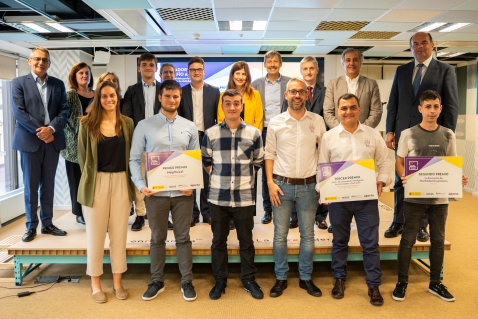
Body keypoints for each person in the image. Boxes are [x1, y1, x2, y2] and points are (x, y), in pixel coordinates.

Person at [392, 90, 467, 303]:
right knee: (407, 240)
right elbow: (399, 161)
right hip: (414, 198)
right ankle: (402, 283)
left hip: (439, 200)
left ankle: (435, 283)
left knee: (438, 240)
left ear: (440, 108)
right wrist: (403, 175)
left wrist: (458, 178)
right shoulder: (408, 134)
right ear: (420, 109)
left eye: (436, 106)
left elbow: (451, 164)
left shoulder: (448, 134)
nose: (432, 111)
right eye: (428, 106)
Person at [318, 93, 392, 306]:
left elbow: (385, 161)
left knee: (370, 243)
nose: (348, 111)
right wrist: (324, 190)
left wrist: (382, 180)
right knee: (339, 242)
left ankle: (373, 284)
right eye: (344, 108)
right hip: (338, 201)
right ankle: (339, 279)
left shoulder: (372, 134)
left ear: (359, 109)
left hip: (366, 199)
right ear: (338, 111)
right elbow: (322, 166)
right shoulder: (329, 137)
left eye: (352, 107)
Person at [385, 32, 459, 241]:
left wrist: (447, 136)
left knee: (427, 181)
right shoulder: (402, 71)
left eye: (424, 43)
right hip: (404, 135)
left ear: (432, 45)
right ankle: (398, 221)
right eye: (415, 44)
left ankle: (421, 226)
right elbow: (394, 103)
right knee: (402, 179)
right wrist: (390, 130)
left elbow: (451, 106)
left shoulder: (445, 70)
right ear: (410, 48)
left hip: (431, 135)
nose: (419, 47)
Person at [130, 80, 199, 302]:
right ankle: (156, 280)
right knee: (157, 238)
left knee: (183, 238)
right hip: (155, 194)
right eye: (168, 96)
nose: (172, 100)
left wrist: (191, 186)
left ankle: (187, 281)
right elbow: (133, 159)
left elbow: (194, 160)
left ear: (180, 98)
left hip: (183, 195)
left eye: (176, 96)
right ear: (160, 97)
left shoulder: (189, 126)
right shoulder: (144, 125)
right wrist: (141, 185)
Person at [265, 77, 326, 298]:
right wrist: (270, 183)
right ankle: (281, 277)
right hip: (281, 186)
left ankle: (305, 277)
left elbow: (323, 155)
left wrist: (324, 184)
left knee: (307, 235)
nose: (297, 95)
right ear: (286, 95)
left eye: (301, 91)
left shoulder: (317, 121)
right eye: (293, 92)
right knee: (280, 234)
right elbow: (269, 154)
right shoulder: (276, 122)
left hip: (309, 186)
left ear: (306, 95)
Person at [204, 89, 265, 300]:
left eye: (236, 103)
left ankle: (248, 279)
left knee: (246, 241)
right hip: (217, 197)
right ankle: (220, 280)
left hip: (244, 197)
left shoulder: (254, 133)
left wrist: (242, 178)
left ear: (242, 106)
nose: (232, 107)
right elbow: (206, 162)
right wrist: (222, 177)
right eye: (227, 103)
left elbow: (258, 162)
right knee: (218, 241)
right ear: (222, 107)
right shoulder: (210, 134)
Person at [77, 80, 135, 303]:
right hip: (96, 183)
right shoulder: (86, 124)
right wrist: (94, 181)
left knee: (119, 235)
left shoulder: (127, 123)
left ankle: (118, 282)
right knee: (95, 235)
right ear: (98, 99)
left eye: (112, 95)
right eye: (104, 96)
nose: (109, 99)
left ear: (117, 97)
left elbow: (131, 156)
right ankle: (95, 284)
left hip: (121, 181)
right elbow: (84, 160)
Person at [12, 47, 70, 242]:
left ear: (49, 63)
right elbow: (19, 113)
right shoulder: (19, 83)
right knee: (30, 186)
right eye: (37, 59)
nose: (40, 62)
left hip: (51, 141)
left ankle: (47, 223)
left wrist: (51, 130)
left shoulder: (58, 84)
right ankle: (31, 226)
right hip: (30, 142)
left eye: (44, 60)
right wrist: (42, 131)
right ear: (29, 61)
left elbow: (64, 110)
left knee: (48, 185)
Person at [217, 61, 264, 230]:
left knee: (248, 179)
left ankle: (247, 215)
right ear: (232, 75)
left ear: (247, 76)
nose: (240, 77)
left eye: (243, 74)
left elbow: (259, 119)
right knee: (229, 179)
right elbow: (221, 117)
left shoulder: (255, 94)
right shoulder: (224, 94)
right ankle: (229, 216)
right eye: (237, 73)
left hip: (248, 142)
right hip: (227, 143)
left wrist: (252, 141)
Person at [286, 56, 328, 230]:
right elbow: (287, 113)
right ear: (301, 71)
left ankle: (321, 216)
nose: (309, 72)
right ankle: (295, 216)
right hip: (299, 139)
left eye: (312, 68)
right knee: (297, 176)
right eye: (305, 69)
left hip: (320, 137)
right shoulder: (293, 92)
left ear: (317, 71)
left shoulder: (326, 91)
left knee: (321, 176)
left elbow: (328, 113)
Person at [178, 56, 220, 227]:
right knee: (189, 177)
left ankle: (207, 212)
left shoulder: (214, 91)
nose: (196, 72)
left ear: (204, 71)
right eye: (193, 69)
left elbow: (218, 117)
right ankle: (193, 213)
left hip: (207, 137)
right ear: (188, 72)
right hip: (188, 139)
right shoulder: (181, 91)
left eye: (199, 69)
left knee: (206, 177)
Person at [122, 53, 161, 231]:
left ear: (156, 68)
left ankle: (159, 215)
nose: (147, 68)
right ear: (139, 68)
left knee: (159, 180)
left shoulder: (163, 89)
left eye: (151, 65)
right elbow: (127, 117)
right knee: (140, 179)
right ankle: (139, 215)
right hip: (139, 142)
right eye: (144, 65)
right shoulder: (131, 90)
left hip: (159, 143)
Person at [252, 50, 290, 225]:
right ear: (265, 64)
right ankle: (267, 209)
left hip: (284, 130)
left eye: (276, 61)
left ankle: (287, 208)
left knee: (285, 169)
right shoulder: (256, 84)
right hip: (264, 131)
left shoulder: (289, 83)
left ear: (280, 64)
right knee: (265, 170)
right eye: (269, 61)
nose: (273, 64)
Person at [61, 62, 94, 226]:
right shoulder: (69, 95)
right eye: (81, 73)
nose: (84, 75)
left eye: (87, 73)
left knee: (91, 179)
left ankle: (91, 209)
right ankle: (79, 212)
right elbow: (62, 118)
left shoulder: (96, 94)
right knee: (76, 180)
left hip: (94, 144)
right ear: (74, 76)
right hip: (74, 145)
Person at [323, 48, 382, 129]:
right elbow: (327, 112)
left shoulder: (371, 84)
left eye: (355, 60)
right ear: (343, 63)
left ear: (361, 63)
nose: (351, 63)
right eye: (348, 60)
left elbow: (376, 112)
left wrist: (361, 129)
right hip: (339, 135)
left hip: (364, 135)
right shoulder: (333, 84)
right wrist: (340, 129)